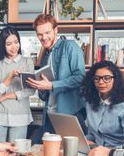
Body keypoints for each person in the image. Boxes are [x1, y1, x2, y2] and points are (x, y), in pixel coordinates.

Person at [27, 14, 86, 143]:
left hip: (69, 114)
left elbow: (81, 78)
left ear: (56, 30)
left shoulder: (70, 46)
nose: (44, 37)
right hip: (49, 115)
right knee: (37, 149)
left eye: (47, 32)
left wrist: (52, 85)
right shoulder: (45, 57)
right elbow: (44, 96)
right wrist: (39, 86)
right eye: (39, 34)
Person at [0, 27, 35, 142]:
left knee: (16, 155)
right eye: (9, 44)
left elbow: (30, 90)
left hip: (20, 116)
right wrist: (10, 77)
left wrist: (5, 97)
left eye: (16, 42)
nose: (14, 47)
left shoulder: (27, 62)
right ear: (2, 45)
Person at [81, 60, 124, 148]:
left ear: (116, 80)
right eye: (96, 78)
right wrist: (84, 141)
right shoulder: (90, 104)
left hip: (117, 155)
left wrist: (104, 151)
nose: (101, 82)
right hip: (95, 153)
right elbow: (93, 134)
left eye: (106, 78)